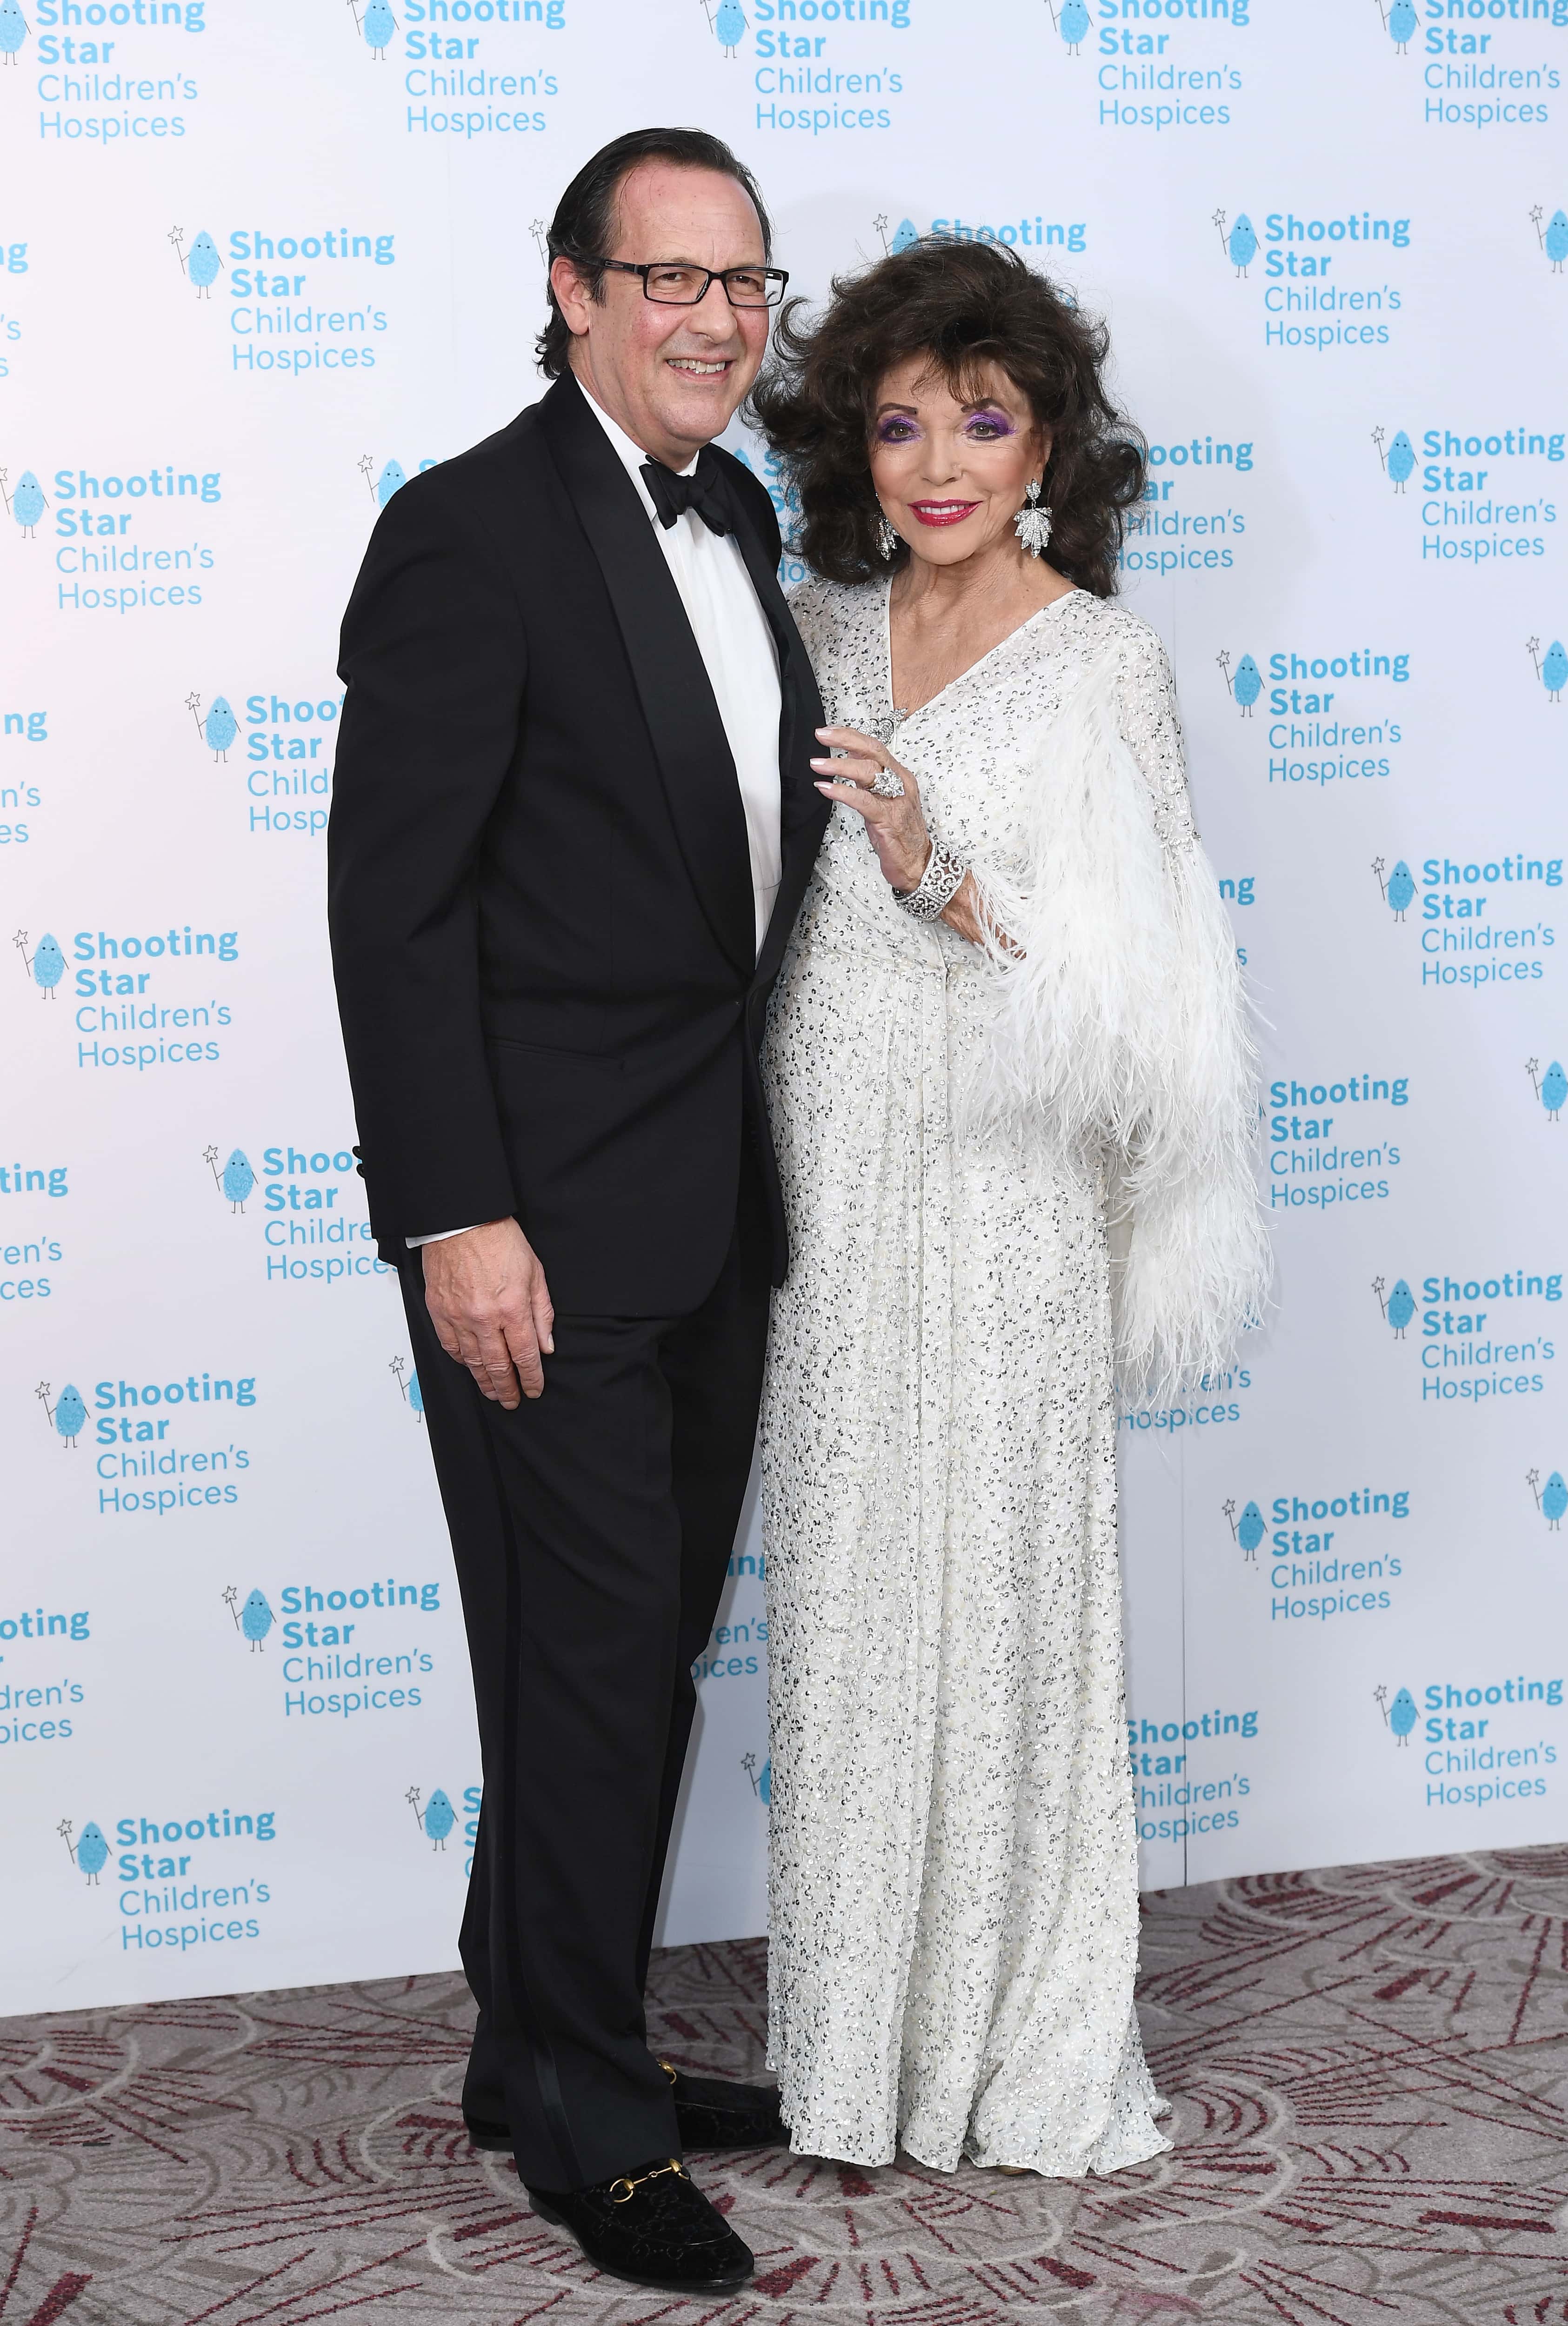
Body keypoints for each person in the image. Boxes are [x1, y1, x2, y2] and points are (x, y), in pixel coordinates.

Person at [327, 128, 827, 2293]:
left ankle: (537, 2033)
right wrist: (457, 1215)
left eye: (748, 282)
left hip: (712, 1210)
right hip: (533, 1234)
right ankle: (591, 2129)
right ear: (573, 291)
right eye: (673, 279)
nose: (719, 319)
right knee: (595, 1659)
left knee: (621, 1659)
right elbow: (392, 908)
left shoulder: (747, 513)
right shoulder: (467, 533)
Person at [749, 238, 1269, 2174]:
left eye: (985, 417)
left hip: (1004, 1189)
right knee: (860, 1594)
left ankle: (1020, 2044)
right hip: (832, 1171)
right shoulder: (812, 627)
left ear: (1049, 439)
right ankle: (856, 2061)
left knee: (1007, 1593)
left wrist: (929, 858)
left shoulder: (1101, 661)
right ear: (852, 443)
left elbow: (1152, 1019)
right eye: (900, 421)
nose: (940, 461)